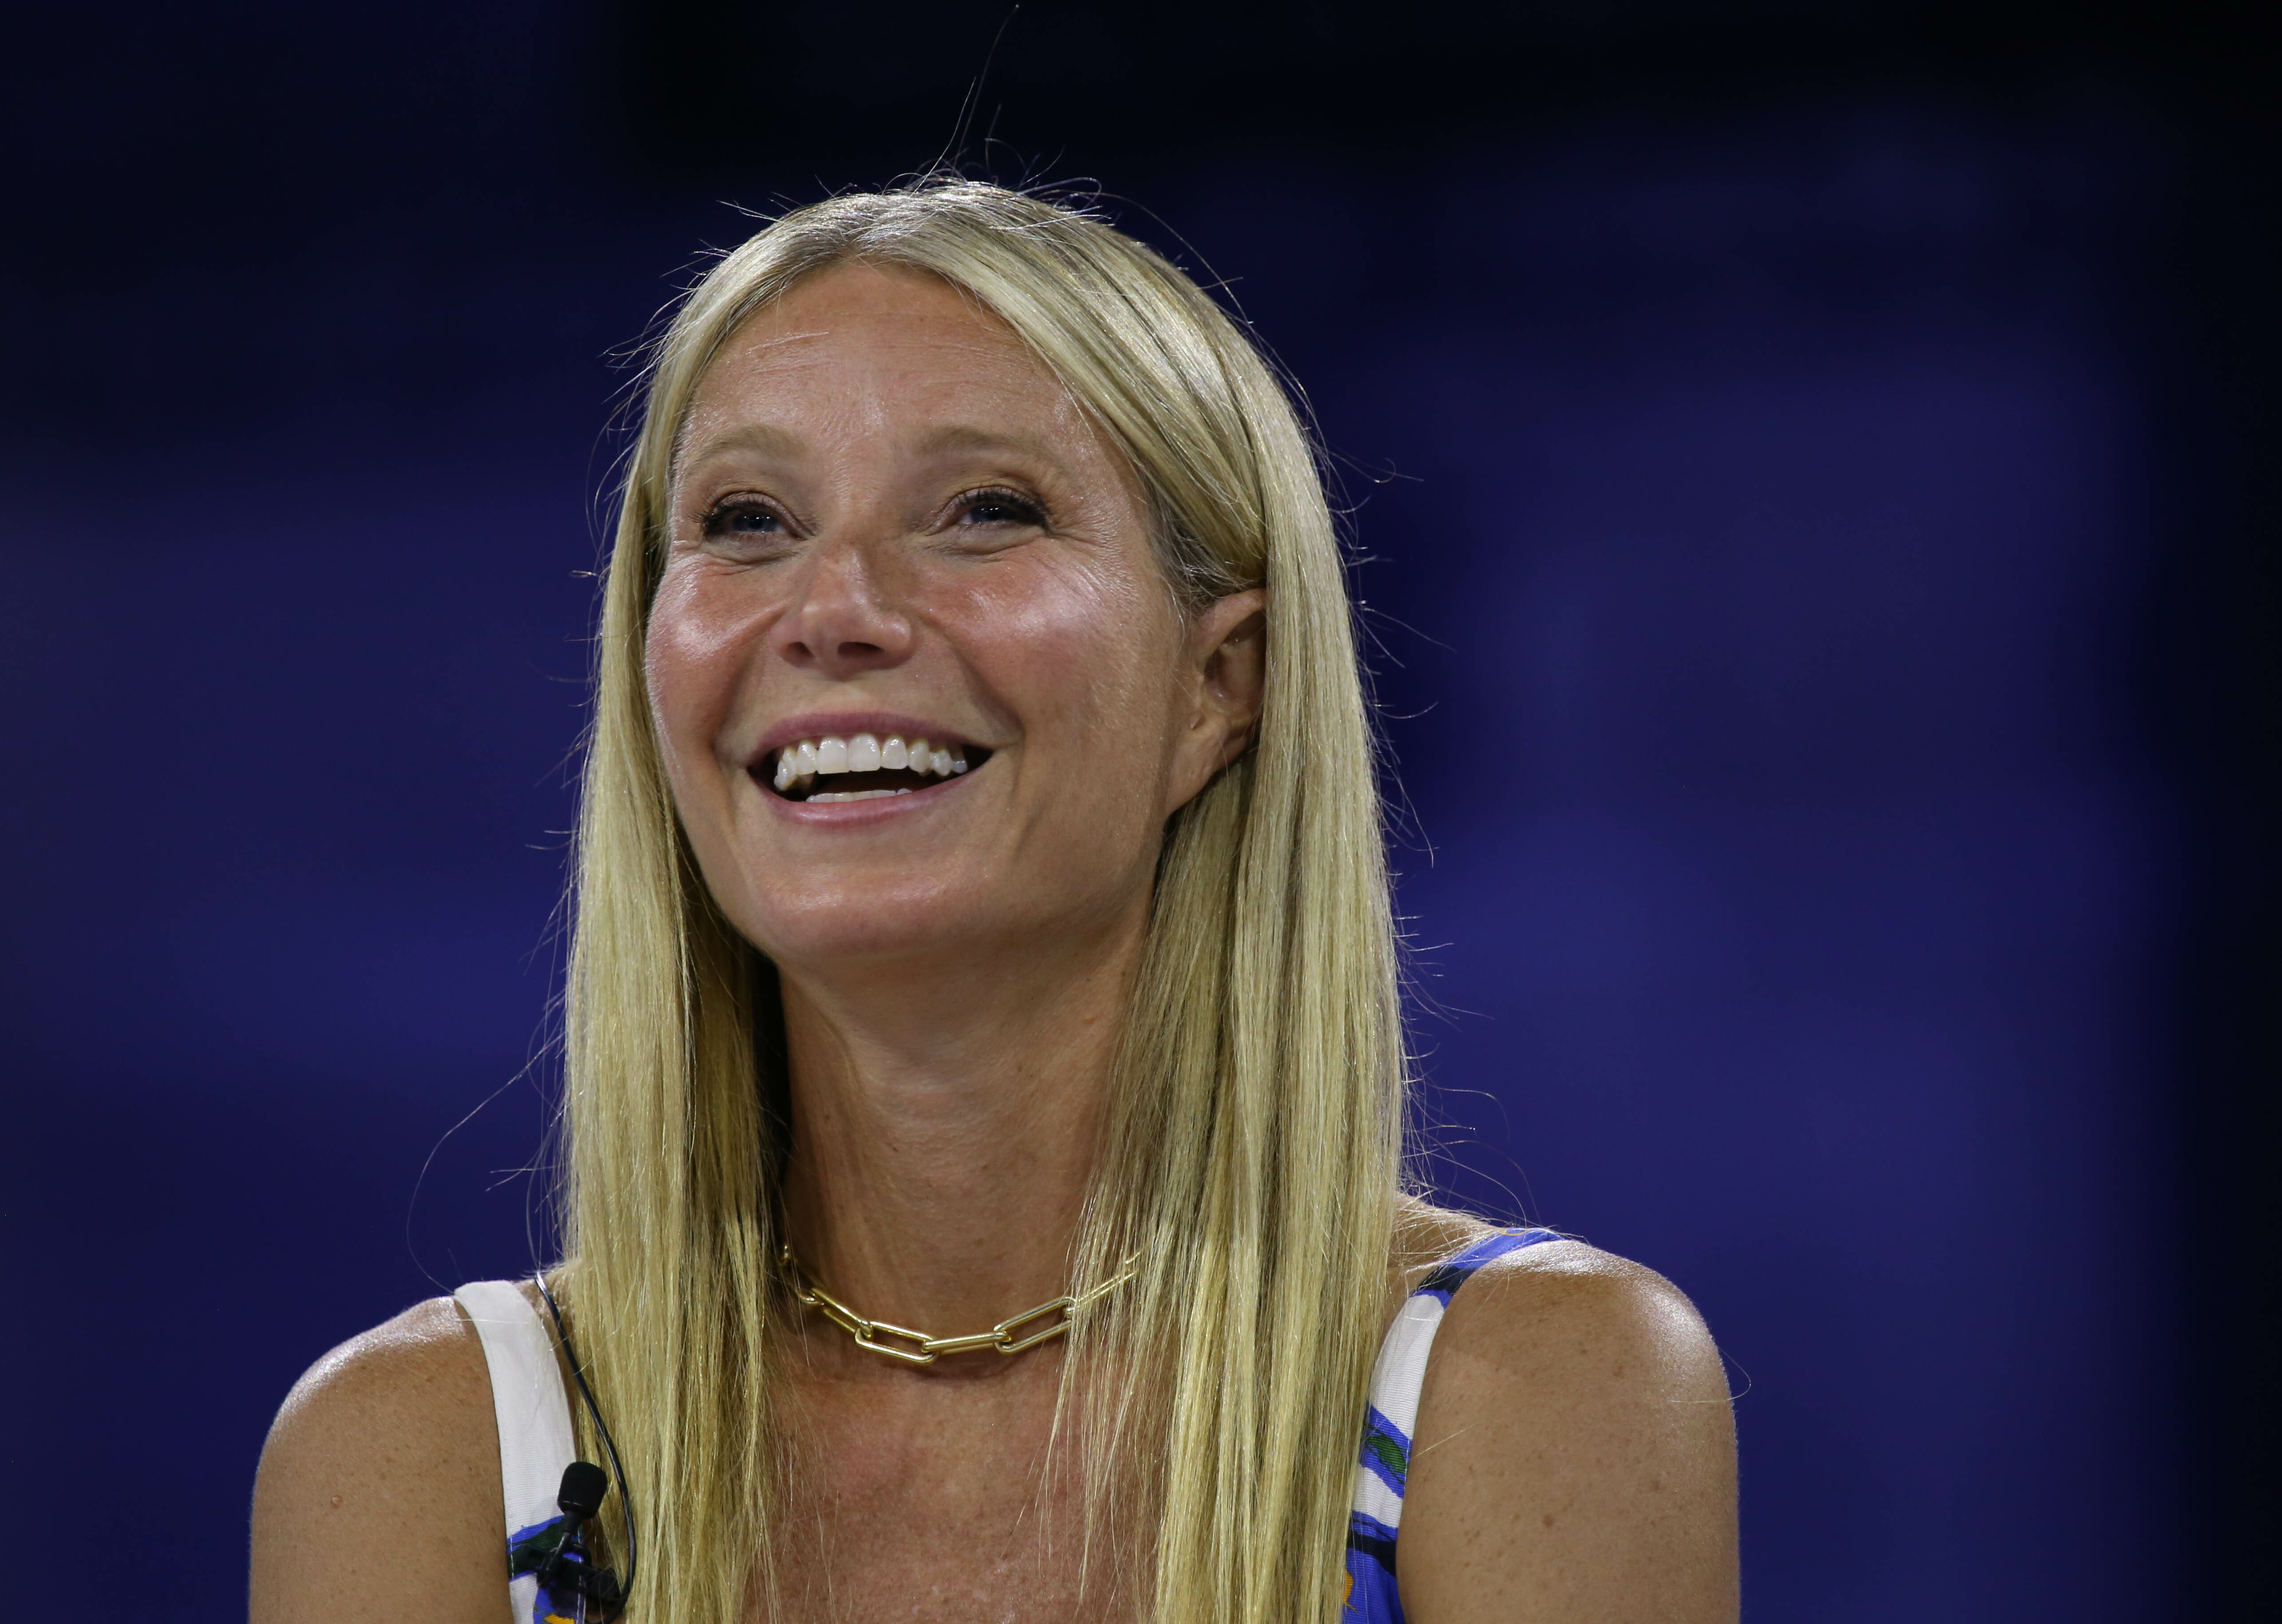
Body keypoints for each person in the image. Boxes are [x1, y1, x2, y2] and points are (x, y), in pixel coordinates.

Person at [248, 180, 1738, 1624]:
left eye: (983, 510)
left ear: (1220, 685)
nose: (835, 611)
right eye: (749, 519)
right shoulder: (427, 1459)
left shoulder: (1533, 1393)